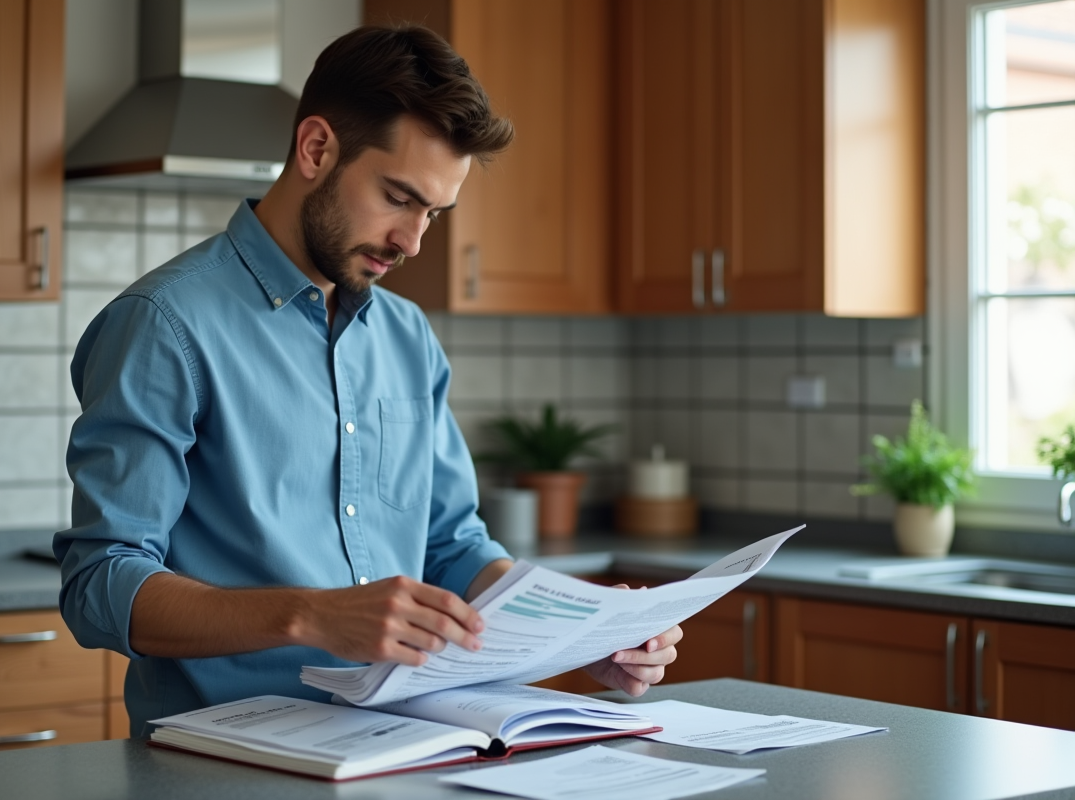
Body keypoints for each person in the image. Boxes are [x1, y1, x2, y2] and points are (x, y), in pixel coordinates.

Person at [55, 24, 683, 736]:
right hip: (226, 761)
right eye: (398, 197)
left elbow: (453, 546)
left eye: (434, 214)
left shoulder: (407, 336)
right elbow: (100, 584)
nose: (413, 241)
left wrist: (582, 629)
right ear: (316, 148)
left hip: (400, 746)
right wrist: (311, 614)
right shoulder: (164, 325)